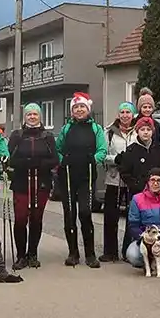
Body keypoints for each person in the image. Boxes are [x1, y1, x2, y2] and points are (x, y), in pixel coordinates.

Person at [55, 92, 108, 268]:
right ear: (72, 111)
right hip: (68, 176)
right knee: (70, 215)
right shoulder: (66, 128)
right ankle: (73, 253)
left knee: (85, 213)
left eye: (82, 107)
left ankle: (90, 254)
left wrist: (95, 159)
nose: (79, 110)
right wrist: (62, 160)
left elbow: (102, 149)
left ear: (88, 109)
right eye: (76, 107)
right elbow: (57, 149)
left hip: (87, 176)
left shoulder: (96, 128)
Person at [6, 103, 58, 270]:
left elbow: (55, 160)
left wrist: (40, 164)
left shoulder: (47, 136)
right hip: (21, 182)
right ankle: (21, 255)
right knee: (21, 219)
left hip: (41, 183)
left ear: (40, 116)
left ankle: (33, 254)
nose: (32, 117)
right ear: (25, 117)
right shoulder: (17, 135)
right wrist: (25, 163)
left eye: (35, 114)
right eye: (29, 114)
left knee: (36, 219)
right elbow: (9, 158)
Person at [115, 115, 160, 259]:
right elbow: (124, 171)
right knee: (134, 221)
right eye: (142, 129)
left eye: (148, 129)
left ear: (153, 132)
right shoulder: (132, 150)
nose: (145, 132)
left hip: (156, 193)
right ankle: (129, 249)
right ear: (137, 131)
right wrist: (136, 185)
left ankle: (158, 248)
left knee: (157, 219)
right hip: (137, 193)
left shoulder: (158, 149)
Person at [100, 102, 139, 263]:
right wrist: (115, 158)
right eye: (122, 112)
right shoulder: (109, 132)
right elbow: (103, 156)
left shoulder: (138, 130)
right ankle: (110, 251)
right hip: (114, 179)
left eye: (128, 112)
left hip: (132, 180)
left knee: (132, 216)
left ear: (133, 115)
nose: (124, 115)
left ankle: (128, 251)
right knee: (110, 216)